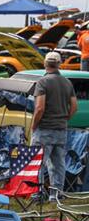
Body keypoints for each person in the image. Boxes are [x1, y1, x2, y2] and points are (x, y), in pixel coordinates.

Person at [32, 51, 78, 200]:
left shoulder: (43, 82)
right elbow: (74, 107)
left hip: (44, 129)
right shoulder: (67, 82)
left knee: (38, 163)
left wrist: (33, 126)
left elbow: (40, 108)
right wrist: (65, 119)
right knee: (58, 164)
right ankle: (56, 194)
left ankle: (38, 194)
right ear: (59, 64)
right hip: (61, 130)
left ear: (45, 63)